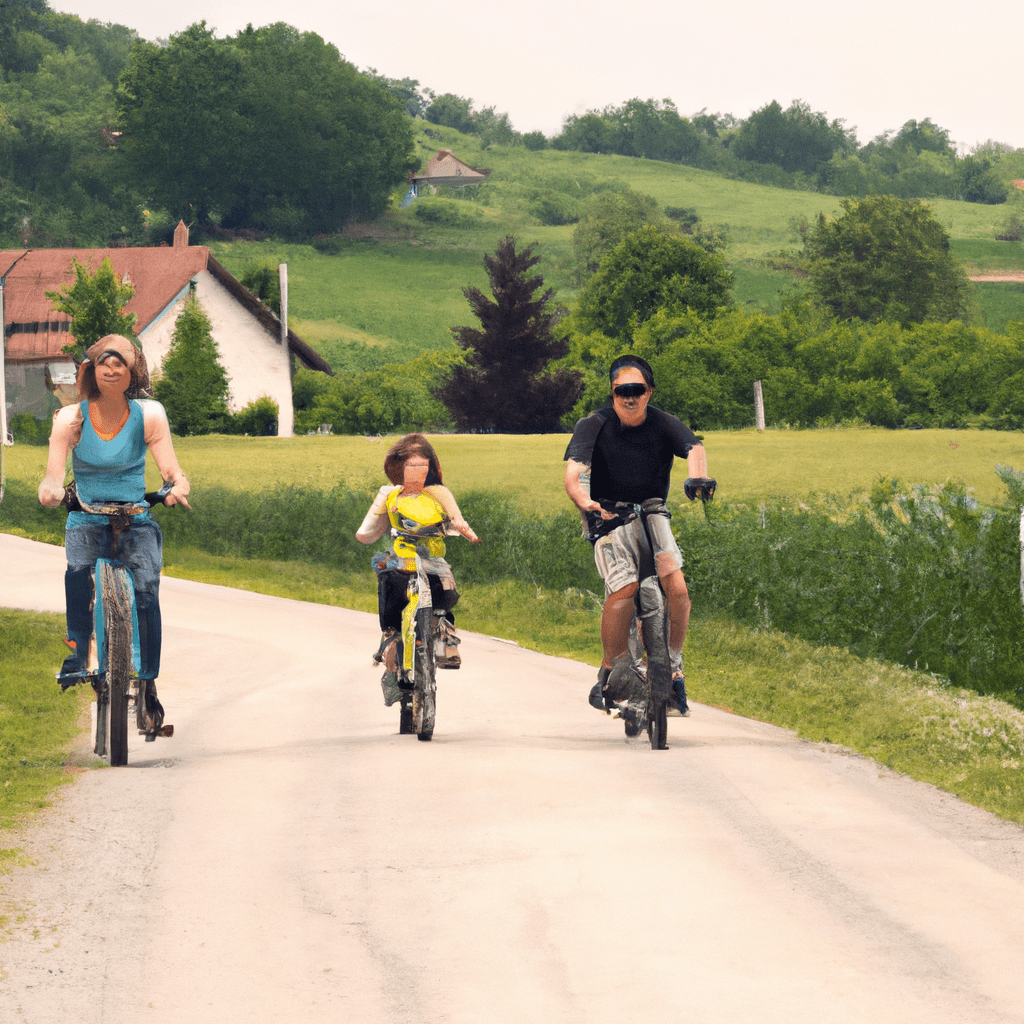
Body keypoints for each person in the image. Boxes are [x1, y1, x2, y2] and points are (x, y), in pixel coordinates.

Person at [38, 334, 190, 731]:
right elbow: (54, 476)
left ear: (131, 372)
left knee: (145, 588)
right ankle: (76, 653)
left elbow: (172, 472)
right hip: (87, 516)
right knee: (78, 577)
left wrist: (177, 488)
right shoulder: (70, 418)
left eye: (120, 364)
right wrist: (51, 492)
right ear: (89, 372)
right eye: (103, 364)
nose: (111, 369)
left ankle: (146, 673)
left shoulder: (149, 415)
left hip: (135, 516)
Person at [564, 354, 715, 717]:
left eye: (637, 390)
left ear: (649, 392)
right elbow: (575, 472)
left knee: (676, 587)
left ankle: (674, 666)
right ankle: (613, 668)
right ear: (612, 392)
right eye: (621, 391)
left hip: (652, 510)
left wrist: (698, 477)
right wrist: (587, 503)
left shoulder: (665, 422)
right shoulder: (593, 425)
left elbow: (694, 448)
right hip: (608, 514)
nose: (629, 398)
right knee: (625, 588)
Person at [356, 434, 479, 702]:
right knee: (390, 582)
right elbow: (366, 534)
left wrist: (462, 529)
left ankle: (444, 634)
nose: (419, 473)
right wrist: (384, 519)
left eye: (424, 468)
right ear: (398, 468)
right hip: (403, 558)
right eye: (412, 467)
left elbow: (457, 518)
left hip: (432, 561)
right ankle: (392, 639)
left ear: (431, 468)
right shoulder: (389, 495)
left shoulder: (437, 493)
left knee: (445, 591)